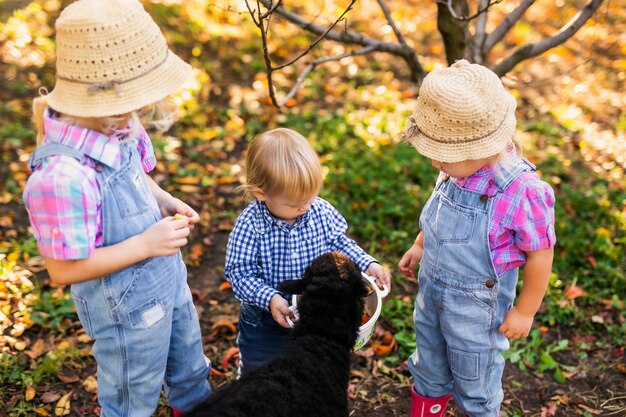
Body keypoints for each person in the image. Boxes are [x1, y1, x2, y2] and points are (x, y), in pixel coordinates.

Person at [22, 1, 211, 416]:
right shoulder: (61, 177)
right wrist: (146, 243)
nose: (138, 113)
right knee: (131, 400)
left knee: (191, 373)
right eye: (132, 103)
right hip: (127, 316)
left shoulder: (118, 124)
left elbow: (134, 175)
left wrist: (162, 199)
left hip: (168, 281)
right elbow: (64, 269)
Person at [397, 60, 556, 417]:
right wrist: (421, 245)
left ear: (482, 147)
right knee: (428, 366)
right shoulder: (456, 172)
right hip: (432, 299)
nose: (437, 162)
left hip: (476, 317)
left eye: (444, 155)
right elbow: (440, 218)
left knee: (476, 386)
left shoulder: (521, 192)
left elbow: (540, 254)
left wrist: (526, 310)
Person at [224, 127, 391, 375]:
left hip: (313, 312)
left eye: (310, 198)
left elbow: (340, 244)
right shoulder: (250, 225)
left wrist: (368, 264)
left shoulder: (320, 211)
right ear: (261, 194)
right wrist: (270, 298)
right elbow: (240, 274)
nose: (304, 207)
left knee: (310, 365)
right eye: (293, 204)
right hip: (266, 320)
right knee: (260, 370)